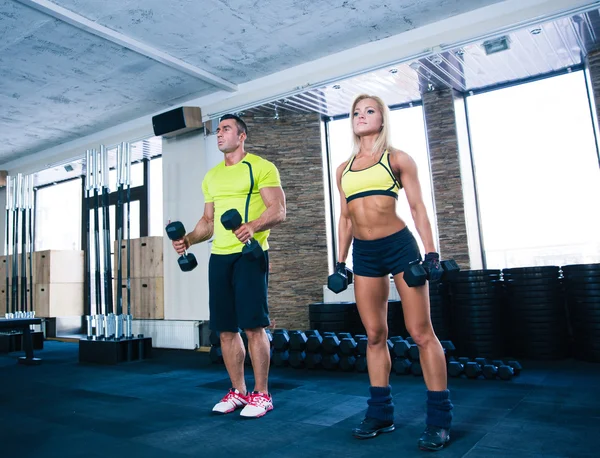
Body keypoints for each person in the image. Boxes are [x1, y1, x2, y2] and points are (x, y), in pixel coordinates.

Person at [334, 94, 453, 450]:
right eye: (356, 112)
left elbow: (416, 207)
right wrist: (340, 263)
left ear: (382, 119)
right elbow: (345, 218)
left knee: (421, 333)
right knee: (374, 335)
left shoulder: (397, 159)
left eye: (369, 111)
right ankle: (381, 413)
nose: (361, 116)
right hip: (365, 254)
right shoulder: (343, 168)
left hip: (400, 247)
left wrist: (431, 253)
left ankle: (439, 421)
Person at [172, 114, 286, 418]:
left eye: (226, 129)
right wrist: (189, 240)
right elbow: (208, 222)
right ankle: (238, 391)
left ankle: (262, 395)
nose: (219, 134)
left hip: (250, 253)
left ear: (242, 136)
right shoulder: (211, 176)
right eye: (218, 130)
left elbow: (279, 209)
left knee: (253, 326)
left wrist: (253, 225)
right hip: (220, 256)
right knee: (224, 328)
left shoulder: (261, 167)